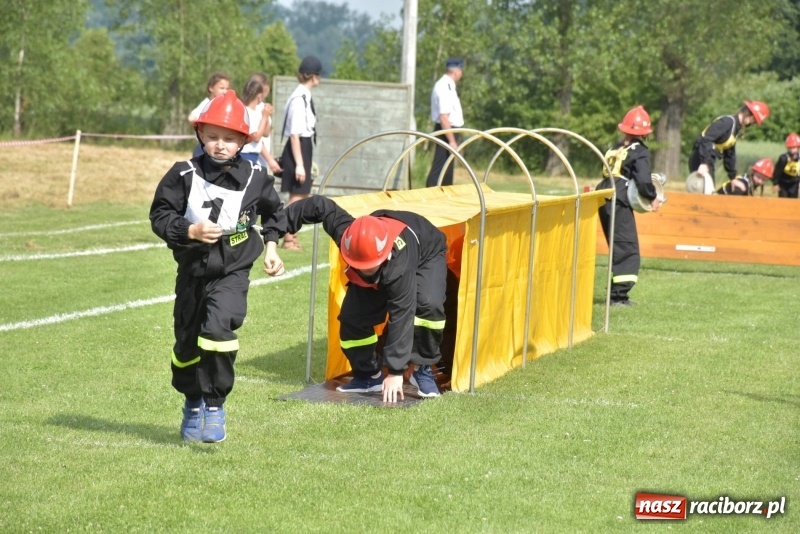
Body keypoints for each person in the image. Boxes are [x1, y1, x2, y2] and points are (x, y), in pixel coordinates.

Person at [150, 90, 287, 443]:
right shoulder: (183, 174)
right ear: (200, 135)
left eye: (228, 138)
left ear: (244, 140)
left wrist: (271, 247)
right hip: (193, 272)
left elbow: (275, 212)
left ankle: (215, 404)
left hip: (232, 271)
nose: (220, 145)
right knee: (186, 346)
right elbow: (160, 215)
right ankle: (192, 401)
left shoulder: (256, 175)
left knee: (218, 328)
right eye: (212, 137)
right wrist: (190, 230)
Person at [283, 195, 448, 403]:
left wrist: (396, 372)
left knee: (428, 305)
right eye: (360, 266)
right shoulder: (348, 235)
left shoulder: (399, 263)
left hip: (427, 252)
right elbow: (319, 206)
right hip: (378, 258)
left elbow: (402, 314)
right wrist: (277, 226)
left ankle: (421, 367)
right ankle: (369, 375)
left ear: (385, 255)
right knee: (353, 319)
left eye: (369, 267)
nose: (365, 271)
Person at [597, 105, 662, 307]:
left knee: (618, 246)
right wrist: (653, 196)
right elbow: (643, 180)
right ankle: (618, 297)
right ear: (645, 132)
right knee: (627, 248)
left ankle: (616, 294)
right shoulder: (639, 150)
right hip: (619, 198)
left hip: (603, 195)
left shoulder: (615, 147)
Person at [279, 56, 322, 250]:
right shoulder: (299, 98)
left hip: (304, 148)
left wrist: (308, 161)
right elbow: (295, 134)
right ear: (314, 77)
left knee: (303, 194)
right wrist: (299, 164)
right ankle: (287, 237)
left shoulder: (304, 95)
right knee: (296, 196)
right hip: (298, 147)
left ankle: (291, 234)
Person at [688, 100, 770, 186]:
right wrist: (704, 163)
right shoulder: (727, 122)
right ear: (749, 115)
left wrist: (733, 178)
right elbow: (706, 140)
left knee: (708, 193)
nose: (753, 124)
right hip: (700, 157)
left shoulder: (735, 129)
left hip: (708, 160)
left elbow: (730, 155)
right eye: (755, 120)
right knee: (705, 193)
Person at [426, 57, 465, 187]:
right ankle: (430, 194)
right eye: (461, 70)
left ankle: (445, 195)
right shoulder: (444, 86)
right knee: (440, 167)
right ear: (456, 71)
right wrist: (452, 140)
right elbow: (443, 116)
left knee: (447, 169)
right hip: (446, 130)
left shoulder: (448, 85)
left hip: (449, 130)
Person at [188, 72, 231, 158]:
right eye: (222, 88)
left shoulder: (221, 105)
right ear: (211, 88)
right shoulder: (207, 104)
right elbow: (191, 118)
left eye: (227, 88)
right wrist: (204, 130)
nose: (225, 91)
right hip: (204, 147)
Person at [240, 74, 273, 166]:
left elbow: (265, 133)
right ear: (259, 96)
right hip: (246, 155)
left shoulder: (257, 113)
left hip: (254, 155)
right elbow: (256, 137)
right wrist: (265, 117)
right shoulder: (247, 112)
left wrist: (265, 116)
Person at [772, 132, 800, 198]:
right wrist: (775, 183)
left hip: (794, 183)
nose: (792, 150)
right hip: (783, 183)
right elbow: (777, 172)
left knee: (793, 202)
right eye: (790, 148)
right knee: (783, 201)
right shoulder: (783, 158)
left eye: (794, 147)